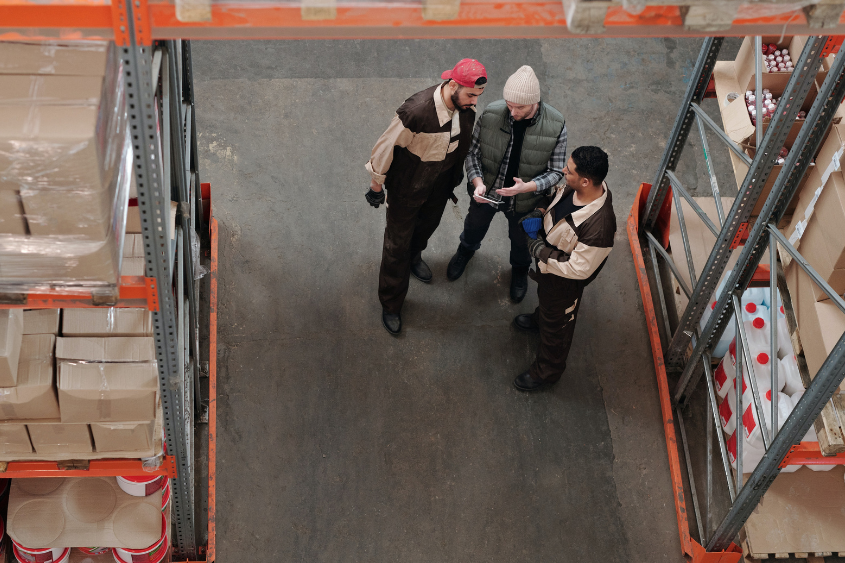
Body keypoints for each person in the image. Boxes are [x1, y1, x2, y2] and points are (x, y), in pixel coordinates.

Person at [365, 59, 487, 335]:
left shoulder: (464, 108)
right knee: (397, 246)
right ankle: (392, 302)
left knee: (425, 228)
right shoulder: (417, 112)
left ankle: (414, 256)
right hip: (408, 188)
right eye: (470, 95)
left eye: (478, 97)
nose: (474, 103)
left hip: (440, 185)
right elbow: (385, 147)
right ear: (453, 85)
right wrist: (376, 186)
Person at [446, 65, 567, 303]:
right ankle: (465, 251)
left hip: (526, 200)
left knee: (521, 240)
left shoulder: (556, 125)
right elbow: (472, 153)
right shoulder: (492, 114)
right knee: (473, 226)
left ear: (535, 102)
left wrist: (528, 187)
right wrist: (477, 182)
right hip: (487, 192)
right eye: (509, 105)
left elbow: (556, 171)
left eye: (519, 107)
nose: (512, 112)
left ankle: (520, 270)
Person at [512, 146, 615, 392]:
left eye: (568, 171)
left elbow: (578, 269)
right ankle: (541, 319)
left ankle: (547, 372)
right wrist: (539, 211)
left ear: (586, 180)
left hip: (564, 282)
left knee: (557, 328)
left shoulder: (600, 227)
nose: (563, 171)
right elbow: (554, 199)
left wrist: (539, 251)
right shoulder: (574, 186)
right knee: (547, 305)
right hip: (549, 271)